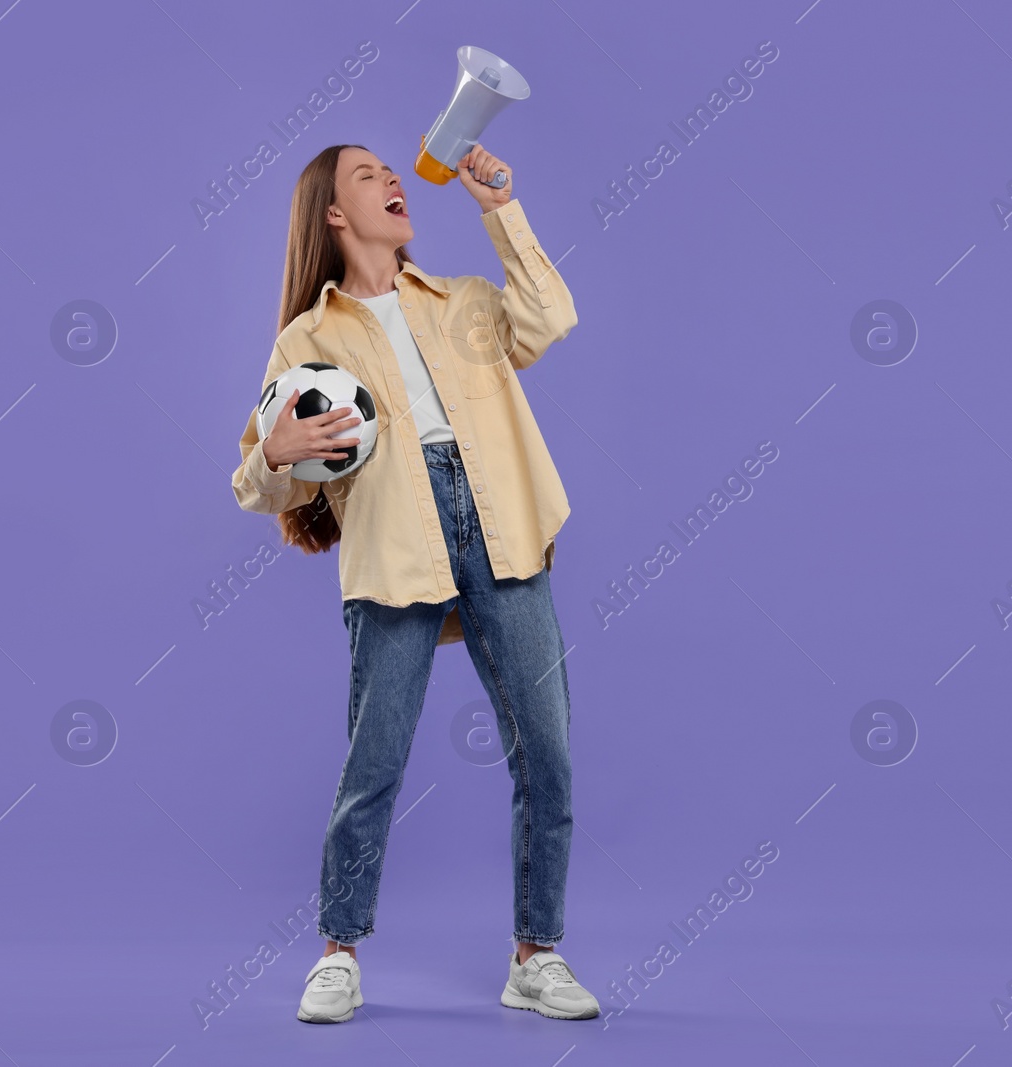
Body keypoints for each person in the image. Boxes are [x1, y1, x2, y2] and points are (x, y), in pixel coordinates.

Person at [230, 142, 599, 1023]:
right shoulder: (306, 339)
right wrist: (273, 455)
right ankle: (338, 951)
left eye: (393, 172)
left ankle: (536, 952)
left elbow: (550, 320)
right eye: (368, 175)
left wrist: (500, 208)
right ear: (332, 213)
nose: (392, 180)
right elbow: (258, 480)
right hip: (395, 545)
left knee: (546, 754)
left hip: (501, 527)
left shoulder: (464, 299)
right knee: (376, 762)